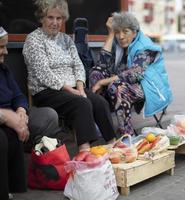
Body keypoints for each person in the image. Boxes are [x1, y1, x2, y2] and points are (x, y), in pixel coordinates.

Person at [22, 0, 117, 153]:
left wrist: (80, 88)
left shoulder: (66, 40)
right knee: (82, 103)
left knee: (100, 102)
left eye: (59, 18)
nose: (55, 22)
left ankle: (113, 146)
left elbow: (78, 65)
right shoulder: (33, 40)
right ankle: (84, 153)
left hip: (73, 89)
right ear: (41, 18)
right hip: (47, 91)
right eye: (50, 17)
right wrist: (72, 91)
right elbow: (43, 73)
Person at [0, 27, 60, 200]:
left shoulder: (3, 70)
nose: (6, 51)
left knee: (48, 116)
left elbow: (19, 95)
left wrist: (21, 111)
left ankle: (29, 168)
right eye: (1, 47)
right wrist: (5, 116)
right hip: (4, 121)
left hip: (12, 117)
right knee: (4, 137)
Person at [89, 12, 172, 135]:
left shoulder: (145, 47)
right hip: (124, 85)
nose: (121, 36)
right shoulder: (118, 44)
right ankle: (101, 123)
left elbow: (134, 74)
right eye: (118, 32)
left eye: (125, 31)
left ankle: (128, 135)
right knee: (95, 74)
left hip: (149, 87)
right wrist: (111, 34)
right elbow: (101, 64)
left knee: (116, 87)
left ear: (134, 32)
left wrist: (104, 82)